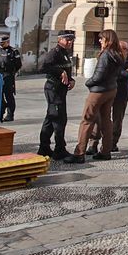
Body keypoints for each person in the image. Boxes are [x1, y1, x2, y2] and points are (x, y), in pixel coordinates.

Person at [74, 30, 122, 162]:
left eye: (102, 39)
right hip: (111, 89)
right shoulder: (117, 54)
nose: (100, 41)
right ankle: (106, 151)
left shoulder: (106, 55)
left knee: (87, 120)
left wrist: (88, 82)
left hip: (99, 91)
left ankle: (79, 153)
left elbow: (99, 75)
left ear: (108, 40)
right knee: (106, 120)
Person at [38, 31, 79, 162]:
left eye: (72, 39)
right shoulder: (54, 53)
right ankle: (59, 149)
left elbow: (66, 70)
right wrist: (60, 72)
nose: (70, 42)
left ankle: (44, 148)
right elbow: (43, 67)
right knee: (58, 119)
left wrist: (71, 79)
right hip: (53, 89)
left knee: (51, 118)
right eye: (67, 39)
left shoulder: (65, 53)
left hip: (60, 90)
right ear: (60, 39)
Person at [106, 53, 128, 154]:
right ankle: (94, 143)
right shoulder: (110, 58)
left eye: (125, 49)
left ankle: (113, 143)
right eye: (122, 48)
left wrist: (117, 71)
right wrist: (121, 71)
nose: (123, 51)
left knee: (117, 119)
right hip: (108, 91)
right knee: (101, 117)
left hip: (121, 94)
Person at [0, 34, 21, 123]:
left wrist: (12, 73)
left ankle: (10, 115)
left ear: (7, 42)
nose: (1, 44)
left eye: (3, 43)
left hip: (8, 76)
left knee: (9, 96)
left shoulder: (13, 51)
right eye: (0, 43)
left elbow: (18, 64)